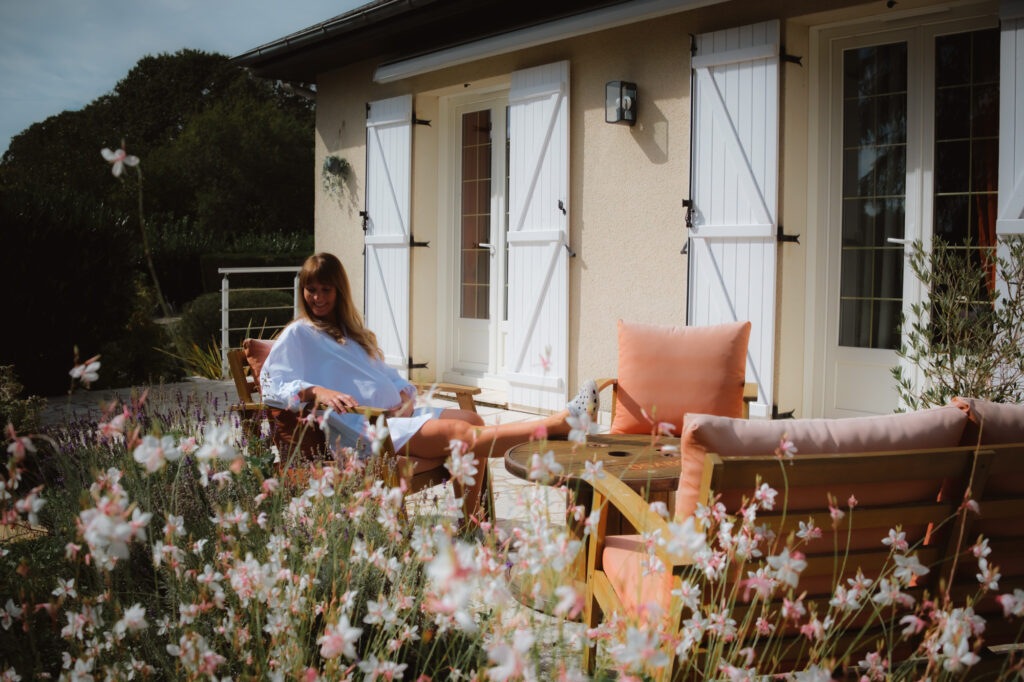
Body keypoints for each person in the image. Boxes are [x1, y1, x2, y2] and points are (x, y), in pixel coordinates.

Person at [259, 252, 599, 521]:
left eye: (325, 289)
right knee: (460, 433)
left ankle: (469, 522)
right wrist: (316, 391)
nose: (317, 297)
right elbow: (271, 383)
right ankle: (558, 425)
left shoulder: (350, 335)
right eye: (311, 289)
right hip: (368, 431)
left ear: (339, 291)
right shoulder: (299, 334)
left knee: (472, 422)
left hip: (397, 417)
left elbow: (385, 376)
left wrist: (404, 392)